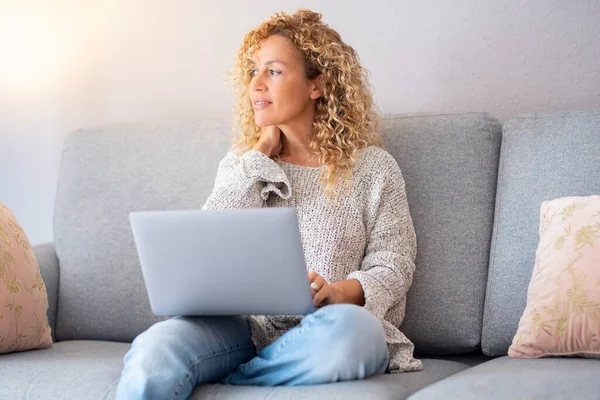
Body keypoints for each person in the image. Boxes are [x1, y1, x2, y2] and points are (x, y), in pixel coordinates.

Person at [116, 9, 422, 399]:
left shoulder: (374, 169)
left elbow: (394, 264)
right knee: (156, 349)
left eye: (273, 72)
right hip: (245, 328)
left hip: (329, 327)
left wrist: (338, 293)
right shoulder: (244, 165)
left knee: (355, 332)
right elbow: (207, 245)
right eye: (252, 71)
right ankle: (252, 370)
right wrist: (258, 157)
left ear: (318, 85)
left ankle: (234, 379)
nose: (256, 84)